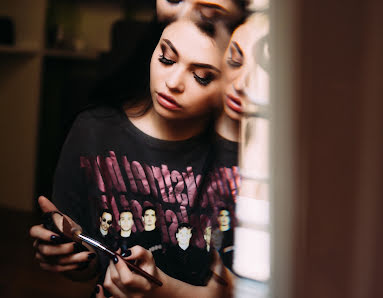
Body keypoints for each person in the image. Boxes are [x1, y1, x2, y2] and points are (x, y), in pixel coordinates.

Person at [30, 19, 235, 297]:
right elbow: (92, 266)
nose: (172, 83)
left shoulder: (239, 155)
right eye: (166, 58)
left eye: (201, 76)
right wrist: (72, 256)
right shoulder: (93, 131)